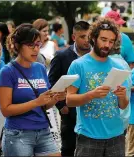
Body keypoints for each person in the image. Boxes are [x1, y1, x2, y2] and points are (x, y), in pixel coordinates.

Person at [0, 23, 66, 156]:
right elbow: (6, 110)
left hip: (44, 131)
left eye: (38, 44)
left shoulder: (40, 68)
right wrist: (36, 102)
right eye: (31, 45)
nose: (36, 49)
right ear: (17, 46)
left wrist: (55, 98)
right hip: (18, 134)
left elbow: (44, 105)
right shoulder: (7, 71)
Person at [66, 18, 129, 156]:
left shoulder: (118, 67)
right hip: (89, 137)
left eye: (111, 41)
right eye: (103, 39)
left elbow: (123, 105)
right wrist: (91, 94)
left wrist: (122, 96)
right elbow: (69, 100)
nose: (107, 45)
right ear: (93, 38)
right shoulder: (78, 65)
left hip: (116, 136)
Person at [48, 20, 91, 157]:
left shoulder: (95, 57)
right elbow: (52, 81)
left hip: (90, 110)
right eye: (82, 37)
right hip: (69, 112)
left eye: (89, 37)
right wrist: (61, 105)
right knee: (69, 148)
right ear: (74, 37)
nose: (86, 40)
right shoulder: (62, 56)